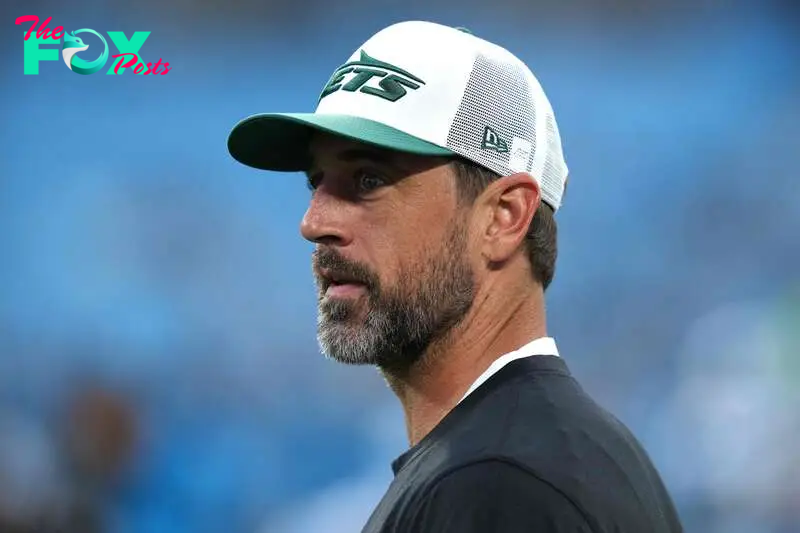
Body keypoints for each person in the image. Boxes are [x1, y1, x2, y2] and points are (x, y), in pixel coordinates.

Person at [227, 20, 683, 533]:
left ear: (503, 217)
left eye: (368, 180)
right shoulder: (538, 455)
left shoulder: (499, 483)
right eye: (316, 183)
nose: (313, 223)